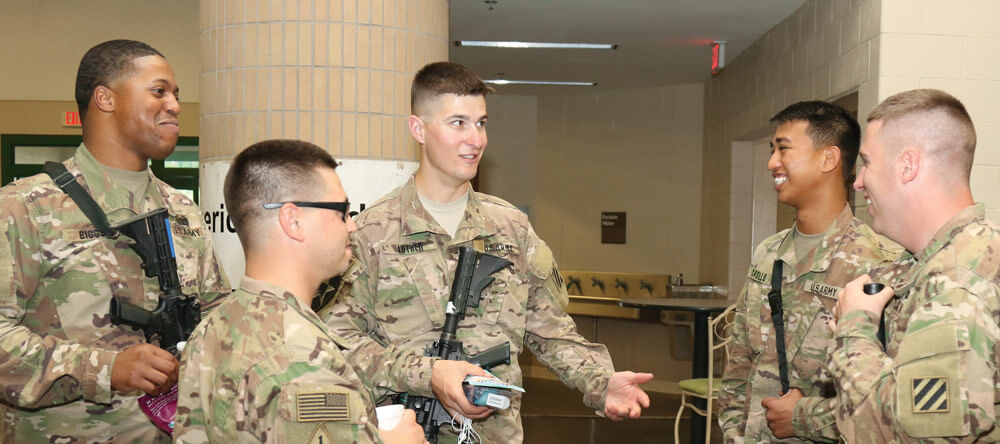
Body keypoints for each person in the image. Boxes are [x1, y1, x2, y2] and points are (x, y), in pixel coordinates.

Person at [320, 61, 653, 443]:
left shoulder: (511, 228)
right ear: (419, 129)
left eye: (481, 123)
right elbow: (338, 344)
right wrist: (427, 373)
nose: (476, 139)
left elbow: (550, 329)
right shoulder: (371, 233)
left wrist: (601, 381)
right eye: (458, 123)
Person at [0, 40, 230, 442]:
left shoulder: (181, 209)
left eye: (177, 95)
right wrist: (106, 368)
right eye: (159, 91)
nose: (175, 105)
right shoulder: (24, 207)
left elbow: (216, 313)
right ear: (105, 98)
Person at [174, 139, 426, 443]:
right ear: (293, 221)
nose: (352, 226)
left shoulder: (212, 329)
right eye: (342, 211)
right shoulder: (305, 360)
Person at [717, 101, 901, 443]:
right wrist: (733, 431)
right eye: (772, 151)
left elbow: (890, 402)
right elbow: (740, 363)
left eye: (783, 150)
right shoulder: (768, 254)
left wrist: (809, 420)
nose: (772, 163)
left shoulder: (881, 264)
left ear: (828, 159)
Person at [829, 89, 1000, 442]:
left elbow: (911, 435)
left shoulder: (958, 284)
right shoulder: (947, 259)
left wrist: (854, 328)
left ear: (908, 165)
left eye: (867, 162)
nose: (858, 181)